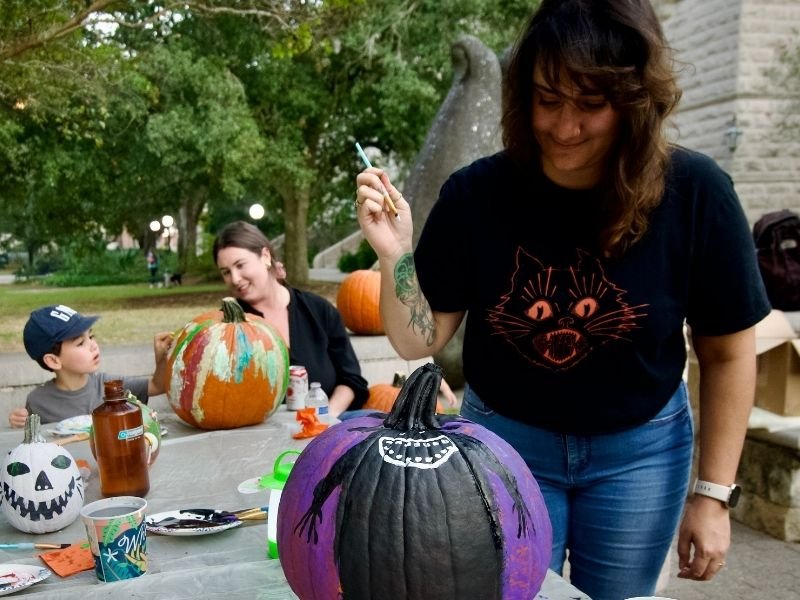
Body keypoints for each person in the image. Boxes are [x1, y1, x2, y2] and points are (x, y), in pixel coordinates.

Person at [354, 1, 770, 598]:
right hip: (506, 449)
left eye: (591, 104)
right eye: (548, 99)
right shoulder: (476, 196)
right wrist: (396, 257)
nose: (564, 126)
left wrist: (713, 496)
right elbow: (417, 338)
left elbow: (729, 353)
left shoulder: (697, 193)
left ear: (634, 101)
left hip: (642, 455)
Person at [212, 221, 369, 418]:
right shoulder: (227, 327)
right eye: (226, 272)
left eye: (240, 265)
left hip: (329, 422)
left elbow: (351, 379)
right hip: (261, 436)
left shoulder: (319, 310)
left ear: (266, 257)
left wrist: (326, 417)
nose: (234, 278)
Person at [8, 304, 172, 427]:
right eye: (80, 343)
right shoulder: (38, 402)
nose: (93, 345)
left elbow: (158, 386)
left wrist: (162, 359)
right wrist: (20, 421)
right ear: (53, 361)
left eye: (91, 336)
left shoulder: (111, 386)